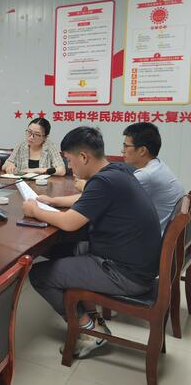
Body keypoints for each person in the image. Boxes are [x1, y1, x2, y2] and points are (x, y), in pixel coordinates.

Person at [23, 127, 161, 358]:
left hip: (125, 273)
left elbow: (69, 223)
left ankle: (89, 329)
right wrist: (54, 201)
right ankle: (91, 318)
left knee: (39, 275)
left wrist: (35, 211)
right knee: (57, 250)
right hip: (132, 260)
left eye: (69, 160)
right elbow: (87, 198)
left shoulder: (104, 181)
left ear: (84, 157)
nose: (70, 167)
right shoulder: (116, 170)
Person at [122, 122, 185, 234]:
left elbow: (109, 197)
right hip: (156, 232)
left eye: (126, 146)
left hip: (149, 239)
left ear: (142, 150)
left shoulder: (147, 175)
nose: (122, 150)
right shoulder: (157, 165)